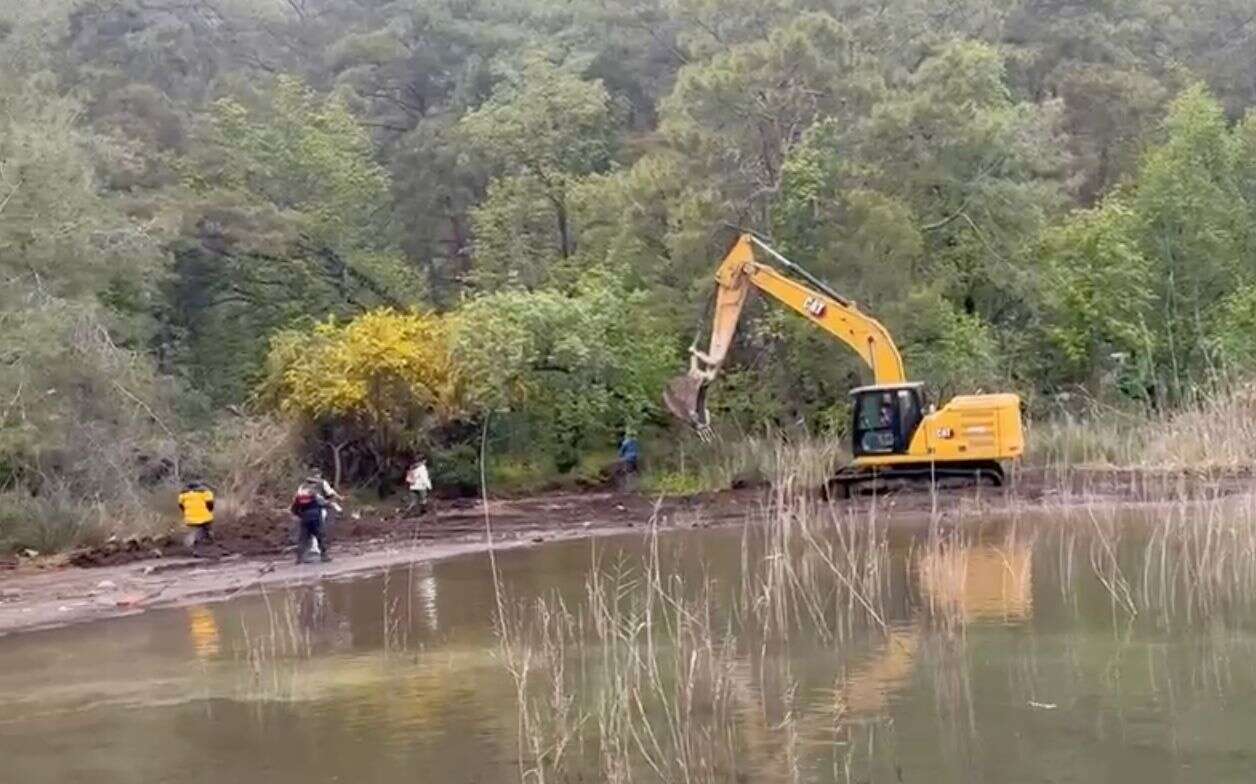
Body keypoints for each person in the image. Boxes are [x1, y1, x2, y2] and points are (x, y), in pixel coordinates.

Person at [291, 481, 332, 564]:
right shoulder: (315, 495)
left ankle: (300, 558)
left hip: (305, 519)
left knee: (303, 539)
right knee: (321, 537)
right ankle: (324, 556)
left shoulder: (299, 497)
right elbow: (325, 504)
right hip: (316, 519)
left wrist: (301, 515)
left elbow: (294, 509)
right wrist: (330, 504)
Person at [178, 480, 215, 556]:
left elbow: (181, 507)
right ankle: (203, 544)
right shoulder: (206, 493)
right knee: (205, 530)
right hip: (205, 517)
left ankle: (193, 542)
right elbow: (210, 505)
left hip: (189, 519)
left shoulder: (183, 495)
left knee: (196, 530)